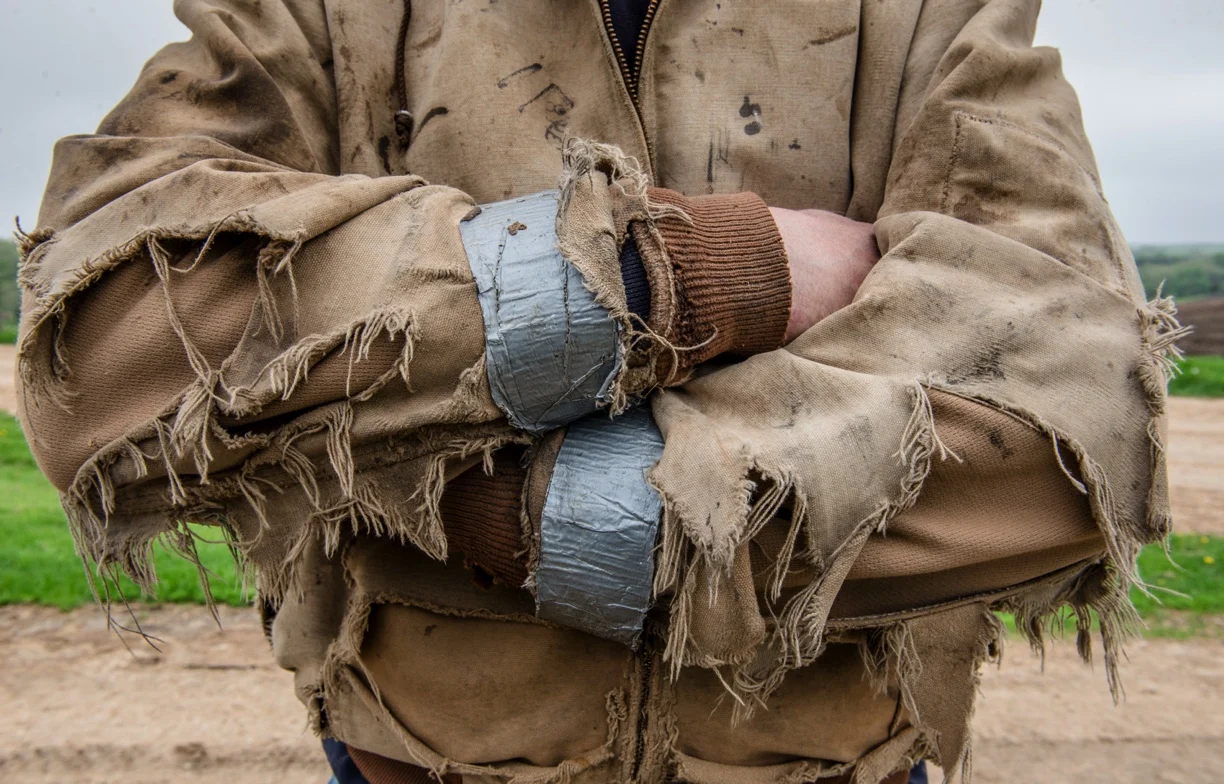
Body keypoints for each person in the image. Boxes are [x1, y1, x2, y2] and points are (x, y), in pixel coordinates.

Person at [16, 1, 1180, 782]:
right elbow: (111, 345)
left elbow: (1073, 411)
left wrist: (528, 517)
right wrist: (682, 276)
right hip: (411, 759)